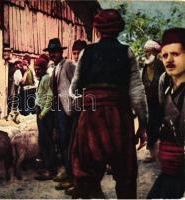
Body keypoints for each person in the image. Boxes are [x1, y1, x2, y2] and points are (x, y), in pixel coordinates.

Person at [69, 9, 148, 198]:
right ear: (119, 29)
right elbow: (137, 92)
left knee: (87, 172)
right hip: (118, 118)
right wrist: (143, 124)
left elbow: (73, 89)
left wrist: (85, 105)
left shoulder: (86, 53)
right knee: (125, 173)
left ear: (98, 29)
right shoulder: (126, 52)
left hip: (91, 117)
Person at [147, 27, 185, 199]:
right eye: (165, 55)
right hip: (170, 167)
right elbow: (162, 113)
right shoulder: (165, 82)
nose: (169, 60)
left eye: (175, 54)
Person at [44, 38, 76, 190]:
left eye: (55, 52)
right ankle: (67, 172)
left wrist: (76, 105)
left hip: (68, 109)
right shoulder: (55, 68)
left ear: (61, 52)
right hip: (58, 108)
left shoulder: (68, 64)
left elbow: (77, 83)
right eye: (51, 52)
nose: (53, 54)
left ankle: (73, 177)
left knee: (68, 141)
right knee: (61, 141)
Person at [141, 40, 165, 163]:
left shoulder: (161, 65)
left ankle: (162, 151)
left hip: (160, 101)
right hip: (148, 101)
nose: (147, 54)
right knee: (150, 125)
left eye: (149, 52)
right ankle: (151, 152)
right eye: (146, 52)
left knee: (161, 124)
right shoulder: (145, 66)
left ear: (155, 52)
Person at [33, 55, 56, 180]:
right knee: (43, 141)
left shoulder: (46, 78)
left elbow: (50, 97)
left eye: (39, 69)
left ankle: (50, 169)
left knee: (47, 141)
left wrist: (43, 113)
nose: (37, 71)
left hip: (45, 114)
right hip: (40, 111)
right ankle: (46, 166)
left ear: (44, 69)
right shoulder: (42, 79)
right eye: (35, 69)